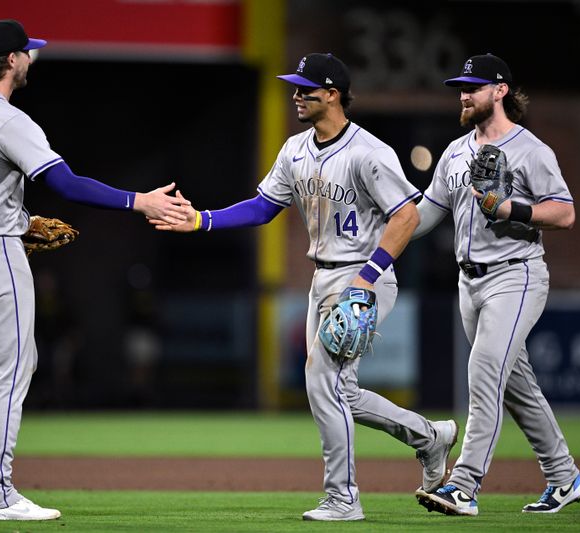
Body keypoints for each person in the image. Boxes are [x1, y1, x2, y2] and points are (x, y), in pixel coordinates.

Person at [150, 52, 457, 521]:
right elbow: (261, 206)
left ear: (332, 94)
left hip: (365, 274)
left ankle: (343, 498)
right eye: (295, 87)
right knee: (340, 391)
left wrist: (365, 281)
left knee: (321, 381)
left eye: (305, 88)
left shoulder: (369, 152)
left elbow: (407, 215)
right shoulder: (294, 149)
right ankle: (429, 438)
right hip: (323, 276)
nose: (296, 95)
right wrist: (202, 220)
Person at [0, 19, 188, 521]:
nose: (32, 59)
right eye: (28, 53)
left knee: (8, 364)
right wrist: (139, 201)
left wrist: (9, 215)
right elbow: (69, 184)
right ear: (13, 60)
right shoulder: (9, 118)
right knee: (14, 367)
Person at [412, 54, 580, 516]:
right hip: (468, 282)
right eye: (460, 87)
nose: (464, 94)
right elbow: (429, 212)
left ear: (501, 91)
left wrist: (511, 208)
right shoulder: (454, 152)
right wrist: (386, 234)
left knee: (485, 370)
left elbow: (565, 213)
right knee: (516, 386)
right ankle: (565, 476)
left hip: (517, 273)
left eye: (473, 86)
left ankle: (464, 485)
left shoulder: (532, 150)